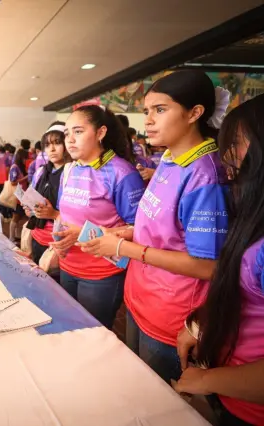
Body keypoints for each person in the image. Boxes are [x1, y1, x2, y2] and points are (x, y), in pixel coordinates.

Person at [79, 70, 230, 384]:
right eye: (147, 111)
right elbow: (168, 227)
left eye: (160, 110)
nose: (148, 120)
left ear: (194, 113)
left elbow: (208, 266)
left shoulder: (205, 175)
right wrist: (129, 233)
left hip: (171, 312)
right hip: (141, 298)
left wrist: (124, 248)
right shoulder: (170, 160)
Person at [175, 94, 264, 426]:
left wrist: (207, 380)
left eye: (238, 144)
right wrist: (201, 323)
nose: (229, 157)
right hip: (232, 389)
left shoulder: (204, 177)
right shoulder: (251, 213)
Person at [50, 105, 145, 330]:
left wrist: (81, 234)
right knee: (70, 329)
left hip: (101, 274)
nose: (70, 140)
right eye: (66, 134)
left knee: (93, 335)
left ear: (100, 133)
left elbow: (139, 229)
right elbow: (65, 214)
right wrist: (60, 238)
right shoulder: (70, 170)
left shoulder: (122, 173)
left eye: (78, 132)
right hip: (68, 265)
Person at [23, 124, 70, 273]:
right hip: (37, 236)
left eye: (57, 143)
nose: (52, 149)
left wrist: (53, 213)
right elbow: (32, 197)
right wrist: (29, 208)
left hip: (58, 242)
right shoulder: (41, 172)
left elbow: (76, 213)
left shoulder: (73, 172)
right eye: (48, 145)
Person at [8, 148, 29, 242]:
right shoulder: (15, 167)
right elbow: (13, 182)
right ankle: (11, 238)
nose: (26, 160)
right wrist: (25, 178)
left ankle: (16, 236)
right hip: (17, 196)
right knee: (15, 217)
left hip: (22, 195)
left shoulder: (20, 168)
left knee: (20, 217)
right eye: (25, 158)